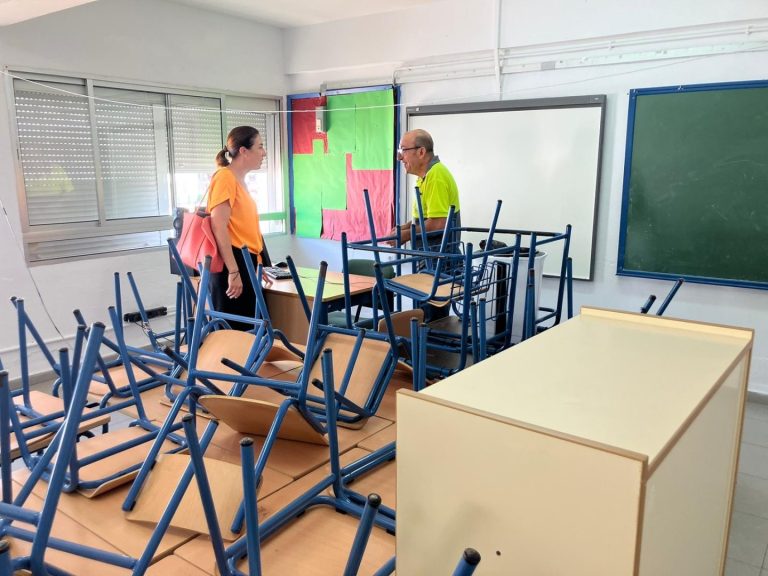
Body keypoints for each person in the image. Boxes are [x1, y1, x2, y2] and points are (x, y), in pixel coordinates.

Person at [208, 125, 270, 331]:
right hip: (233, 263)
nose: (264, 153)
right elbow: (218, 226)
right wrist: (234, 271)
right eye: (260, 147)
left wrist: (259, 264)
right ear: (243, 151)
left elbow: (243, 228)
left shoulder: (239, 180)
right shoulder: (225, 177)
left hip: (247, 262)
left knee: (254, 332)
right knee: (236, 334)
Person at [388, 129, 461, 246]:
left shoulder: (436, 176)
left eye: (403, 150)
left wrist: (407, 234)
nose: (399, 157)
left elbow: (438, 223)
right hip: (428, 254)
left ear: (421, 152)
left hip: (439, 255)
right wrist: (405, 228)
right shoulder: (424, 177)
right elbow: (426, 219)